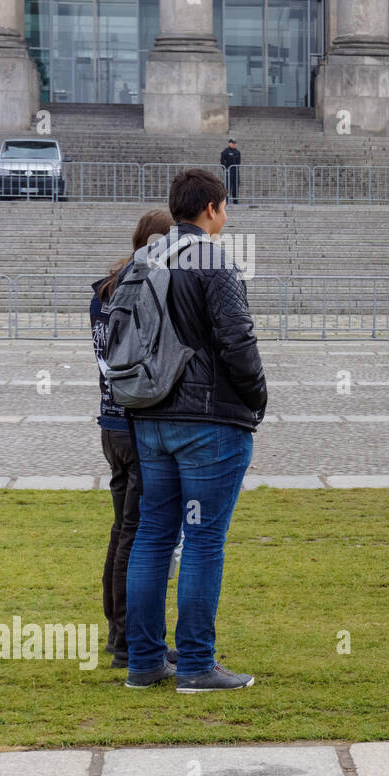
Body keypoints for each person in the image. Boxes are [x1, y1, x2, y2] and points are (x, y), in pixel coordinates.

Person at [124, 168, 266, 692]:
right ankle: (197, 664)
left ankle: (143, 663)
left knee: (152, 536)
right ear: (211, 208)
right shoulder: (213, 259)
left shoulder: (145, 258)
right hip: (208, 419)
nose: (225, 218)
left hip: (150, 414)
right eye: (224, 208)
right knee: (204, 540)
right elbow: (238, 341)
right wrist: (258, 398)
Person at [91, 208, 174, 670]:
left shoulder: (104, 291)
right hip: (136, 423)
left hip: (109, 422)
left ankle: (116, 631)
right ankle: (129, 640)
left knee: (121, 530)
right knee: (138, 535)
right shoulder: (143, 287)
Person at [219, 139, 241, 205]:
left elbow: (239, 162)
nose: (234, 144)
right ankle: (227, 200)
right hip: (229, 171)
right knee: (228, 186)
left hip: (236, 171)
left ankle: (235, 200)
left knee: (236, 186)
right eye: (232, 143)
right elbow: (222, 161)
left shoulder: (237, 152)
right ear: (229, 143)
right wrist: (225, 169)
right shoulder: (225, 151)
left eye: (234, 143)